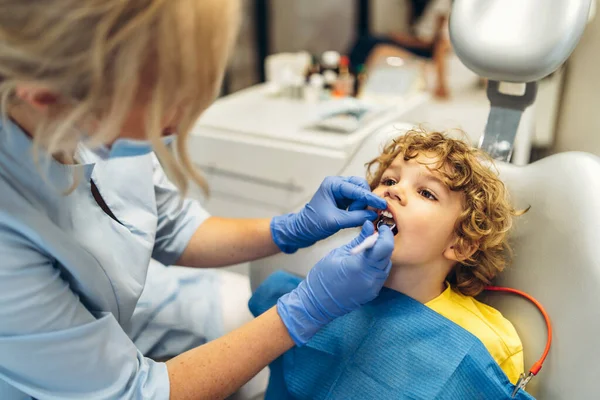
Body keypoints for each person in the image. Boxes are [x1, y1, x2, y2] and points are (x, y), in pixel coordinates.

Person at [0, 1, 395, 399]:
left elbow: (174, 227)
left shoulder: (90, 113)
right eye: (167, 96)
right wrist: (305, 310)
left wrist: (293, 228)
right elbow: (134, 393)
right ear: (48, 96)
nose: (185, 113)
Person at [250, 129, 527, 398]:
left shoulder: (485, 340)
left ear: (461, 244)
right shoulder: (328, 290)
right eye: (390, 180)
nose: (393, 192)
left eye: (427, 193)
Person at [349, 0, 453, 98]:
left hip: (423, 48)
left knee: (371, 45)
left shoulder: (443, 5)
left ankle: (354, 83)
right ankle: (351, 80)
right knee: (367, 44)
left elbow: (435, 42)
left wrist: (402, 39)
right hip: (418, 42)